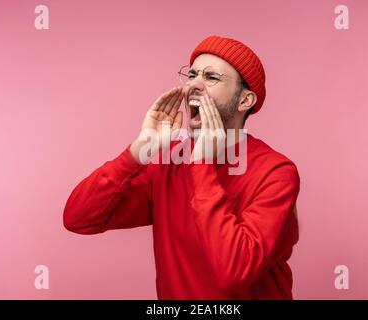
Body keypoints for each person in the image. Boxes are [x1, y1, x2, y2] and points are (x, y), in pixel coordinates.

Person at [63, 35, 300, 299]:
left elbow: (234, 272)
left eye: (211, 78)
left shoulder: (276, 172)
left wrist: (201, 165)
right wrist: (138, 152)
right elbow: (78, 218)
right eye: (192, 75)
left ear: (245, 101)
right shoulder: (169, 164)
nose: (193, 86)